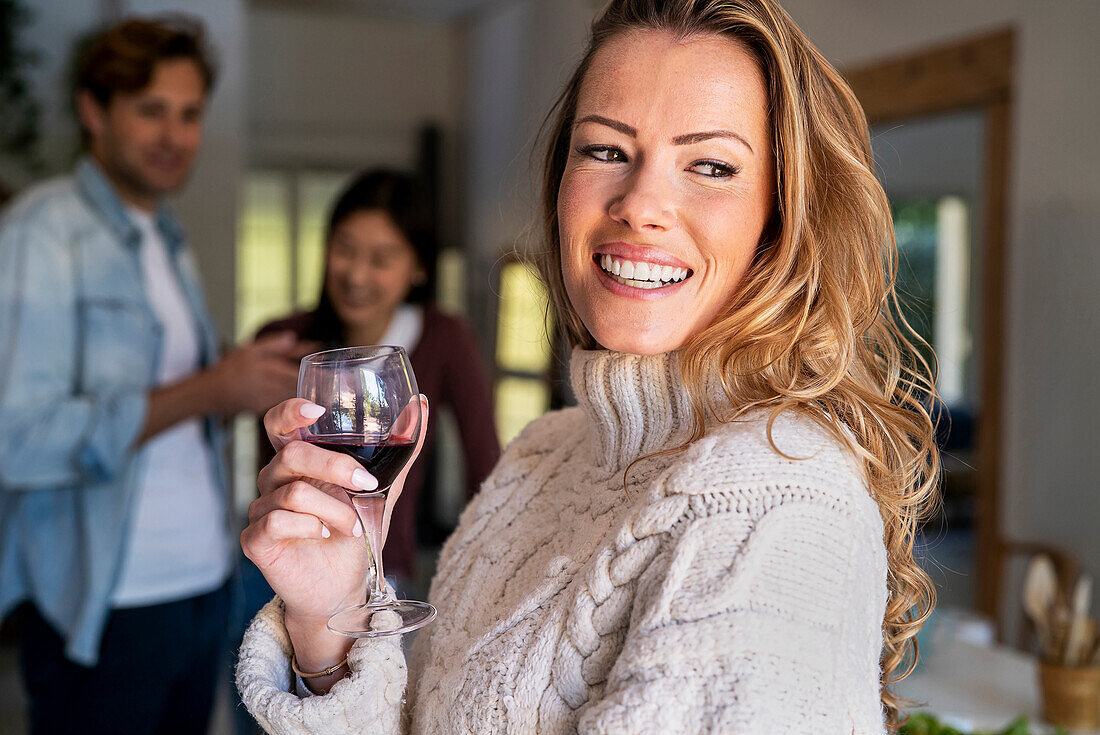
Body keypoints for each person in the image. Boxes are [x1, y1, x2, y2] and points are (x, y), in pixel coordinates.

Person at [236, 0, 940, 731]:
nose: (640, 204)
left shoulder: (779, 505)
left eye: (710, 165)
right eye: (605, 149)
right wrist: (328, 620)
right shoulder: (542, 454)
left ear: (781, 219)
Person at [0, 17, 305, 735]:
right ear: (92, 111)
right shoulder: (41, 234)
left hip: (201, 589)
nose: (174, 134)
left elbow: (174, 415)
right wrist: (209, 389)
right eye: (150, 109)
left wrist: (244, 386)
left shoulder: (166, 236)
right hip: (107, 608)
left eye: (190, 114)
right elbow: (18, 437)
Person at [253, 170, 501, 591]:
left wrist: (483, 573)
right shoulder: (284, 342)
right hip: (287, 565)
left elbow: (486, 465)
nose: (357, 275)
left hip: (388, 572)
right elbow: (267, 469)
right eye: (345, 249)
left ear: (418, 267)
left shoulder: (444, 337)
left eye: (382, 259)